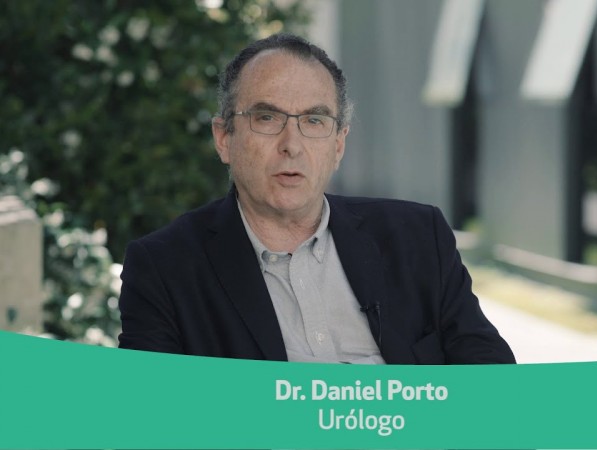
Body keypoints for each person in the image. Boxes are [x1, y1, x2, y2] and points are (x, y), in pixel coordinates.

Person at [118, 33, 515, 364]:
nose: (292, 145)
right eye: (267, 118)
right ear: (224, 139)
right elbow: (154, 414)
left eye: (314, 120)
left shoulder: (419, 237)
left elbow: (495, 389)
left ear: (338, 144)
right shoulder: (164, 268)